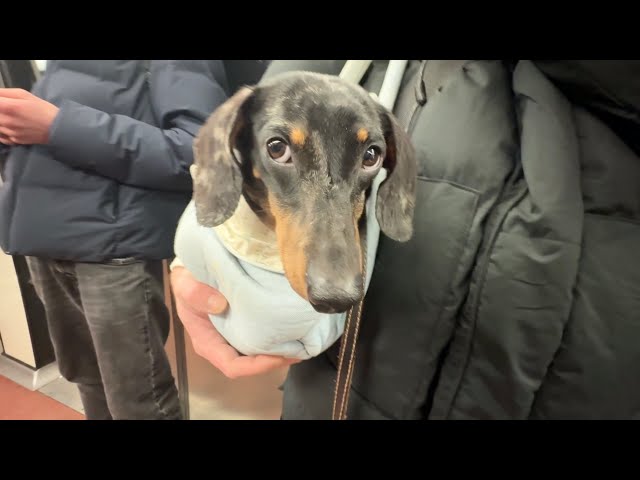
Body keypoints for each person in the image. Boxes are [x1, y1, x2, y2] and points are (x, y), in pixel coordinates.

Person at [170, 60, 640, 420]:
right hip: (343, 372)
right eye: (279, 148)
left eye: (370, 154)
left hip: (577, 347)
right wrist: (208, 250)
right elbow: (289, 99)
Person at [0, 60, 231, 420]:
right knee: (87, 380)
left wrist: (56, 126)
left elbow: (200, 154)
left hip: (113, 250)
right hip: (41, 239)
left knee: (139, 401)